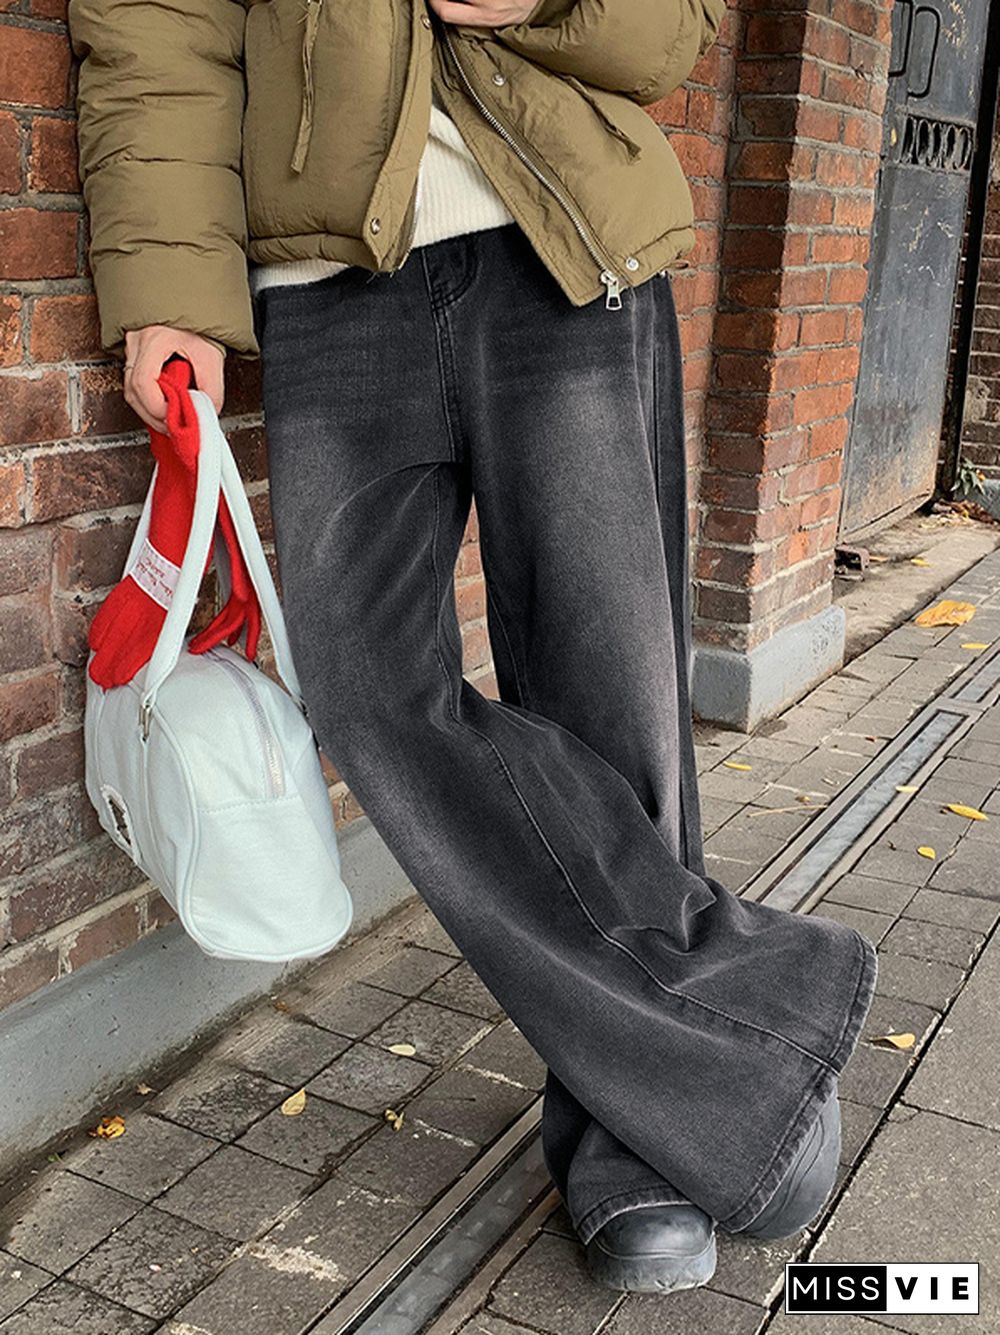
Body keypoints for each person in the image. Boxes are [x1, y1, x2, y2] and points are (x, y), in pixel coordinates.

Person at [67, 0, 877, 1297]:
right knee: (367, 684)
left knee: (609, 698)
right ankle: (754, 1013)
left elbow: (675, 31)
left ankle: (639, 1148)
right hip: (326, 280)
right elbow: (153, 23)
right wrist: (169, 283)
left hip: (563, 247)